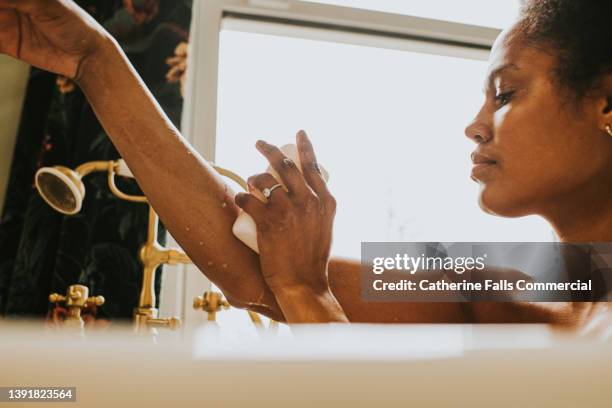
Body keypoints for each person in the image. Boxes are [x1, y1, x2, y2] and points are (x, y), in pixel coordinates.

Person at [0, 0, 610, 326]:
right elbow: (250, 270)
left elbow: (289, 286)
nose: (475, 125)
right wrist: (93, 59)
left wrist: (303, 288)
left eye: (505, 94)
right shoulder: (504, 277)